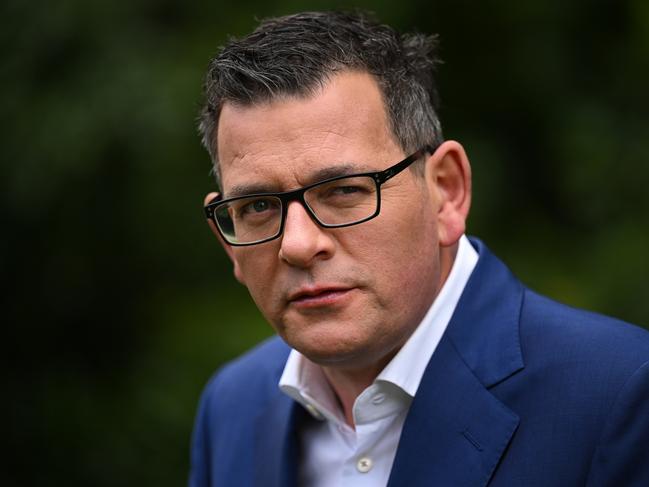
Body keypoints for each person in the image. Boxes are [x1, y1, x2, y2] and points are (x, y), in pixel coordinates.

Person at [189, 11, 649, 487]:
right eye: (259, 205)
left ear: (446, 192)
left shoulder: (619, 395)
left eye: (344, 190)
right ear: (229, 239)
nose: (299, 245)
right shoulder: (231, 408)